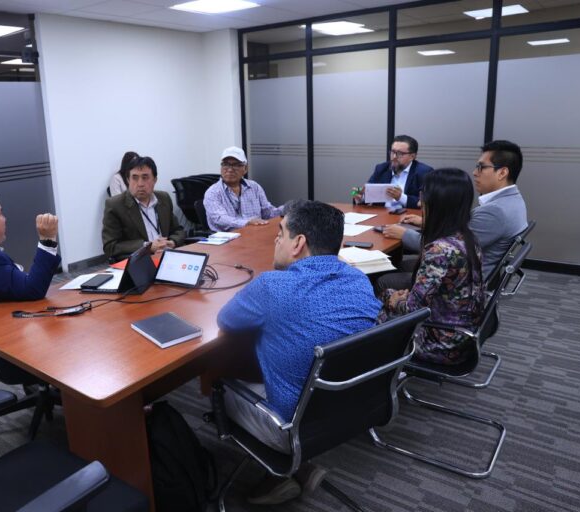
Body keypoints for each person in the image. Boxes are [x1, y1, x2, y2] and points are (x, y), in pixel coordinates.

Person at [216, 199, 381, 504]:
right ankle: (301, 470)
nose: (276, 240)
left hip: (294, 427)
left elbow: (226, 320)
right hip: (352, 408)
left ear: (298, 243)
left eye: (281, 233)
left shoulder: (272, 287)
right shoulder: (359, 280)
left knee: (218, 383)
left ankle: (282, 473)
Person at [378, 168, 485, 365]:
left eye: (423, 197)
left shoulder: (439, 250)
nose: (420, 203)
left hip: (440, 344)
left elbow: (412, 310)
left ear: (437, 203)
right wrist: (406, 297)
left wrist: (391, 297)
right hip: (462, 333)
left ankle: (382, 375)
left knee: (370, 312)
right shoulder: (467, 237)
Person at [383, 140, 528, 281]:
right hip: (465, 267)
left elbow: (448, 248)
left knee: (384, 278)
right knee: (397, 266)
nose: (475, 172)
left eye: (481, 167)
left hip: (460, 281)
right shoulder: (513, 200)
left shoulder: (495, 212)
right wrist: (426, 222)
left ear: (502, 173)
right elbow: (459, 233)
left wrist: (404, 234)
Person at [101, 155, 186, 260]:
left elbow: (178, 230)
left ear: (154, 180)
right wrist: (147, 246)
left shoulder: (164, 198)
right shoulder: (115, 205)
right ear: (128, 180)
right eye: (135, 178)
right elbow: (110, 246)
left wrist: (172, 242)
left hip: (167, 256)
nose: (140, 184)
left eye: (145, 178)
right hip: (140, 261)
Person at [203, 146, 283, 232]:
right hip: (227, 237)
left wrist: (285, 209)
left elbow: (268, 213)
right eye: (226, 164)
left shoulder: (254, 187)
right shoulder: (213, 192)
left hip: (255, 233)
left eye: (235, 165)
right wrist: (247, 223)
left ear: (245, 169)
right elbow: (220, 219)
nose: (230, 169)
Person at [353, 135, 433, 209]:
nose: (394, 157)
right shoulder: (381, 168)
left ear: (412, 156)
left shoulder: (424, 172)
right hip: (382, 216)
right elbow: (369, 194)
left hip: (407, 216)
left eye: (400, 153)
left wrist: (401, 197)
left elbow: (427, 202)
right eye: (393, 152)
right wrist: (360, 197)